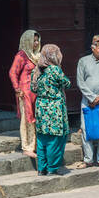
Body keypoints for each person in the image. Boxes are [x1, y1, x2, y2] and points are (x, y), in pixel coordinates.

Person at [74, 34, 99, 170]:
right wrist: (91, 97)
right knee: (86, 130)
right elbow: (80, 82)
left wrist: (98, 98)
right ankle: (88, 159)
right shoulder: (83, 61)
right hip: (87, 101)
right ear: (93, 48)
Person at [31, 44, 72, 176]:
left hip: (41, 107)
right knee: (55, 139)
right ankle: (51, 168)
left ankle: (41, 169)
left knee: (42, 138)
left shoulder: (36, 70)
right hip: (54, 108)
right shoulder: (55, 70)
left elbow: (33, 89)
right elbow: (67, 83)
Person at [9, 30, 41, 157]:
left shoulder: (37, 55)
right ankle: (27, 147)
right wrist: (17, 89)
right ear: (27, 41)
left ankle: (36, 145)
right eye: (34, 40)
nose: (36, 42)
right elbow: (12, 72)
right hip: (25, 92)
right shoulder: (21, 55)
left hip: (36, 92)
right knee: (27, 119)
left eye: (37, 40)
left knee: (36, 118)